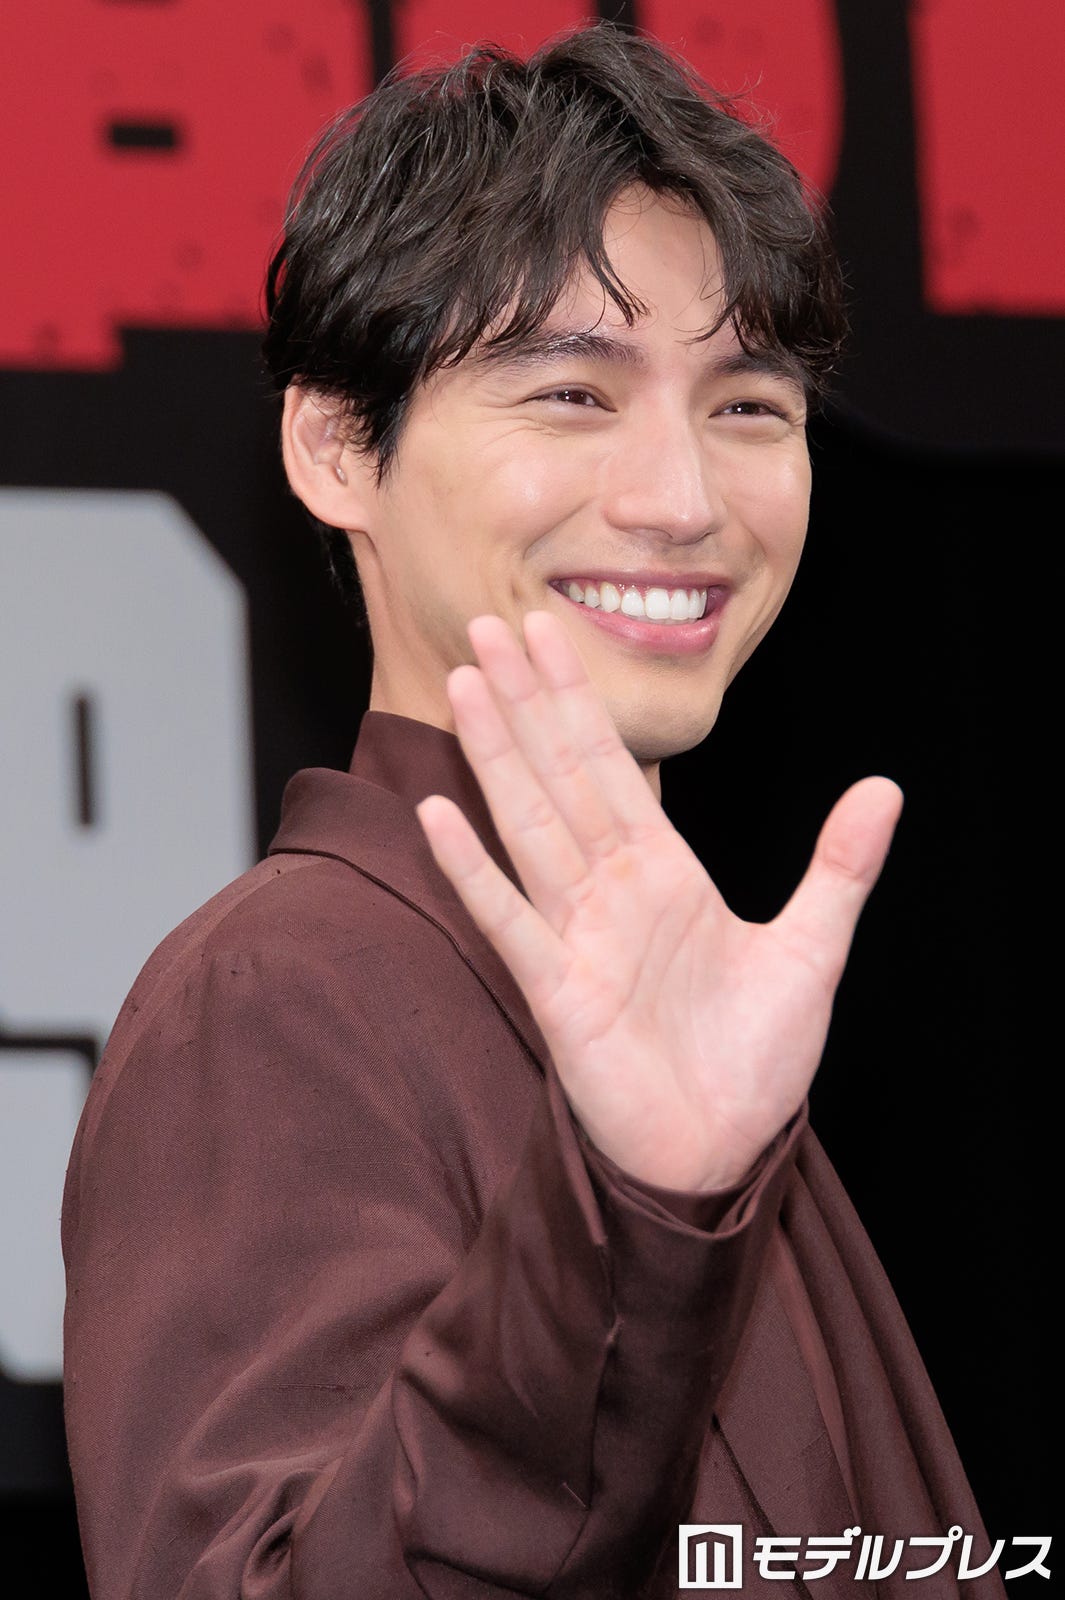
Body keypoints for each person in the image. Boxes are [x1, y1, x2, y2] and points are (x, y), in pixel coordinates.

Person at [62, 24, 1006, 1599]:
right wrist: (628, 1221)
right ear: (337, 447)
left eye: (748, 407)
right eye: (571, 392)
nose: (682, 501)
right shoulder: (281, 993)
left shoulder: (680, 1007)